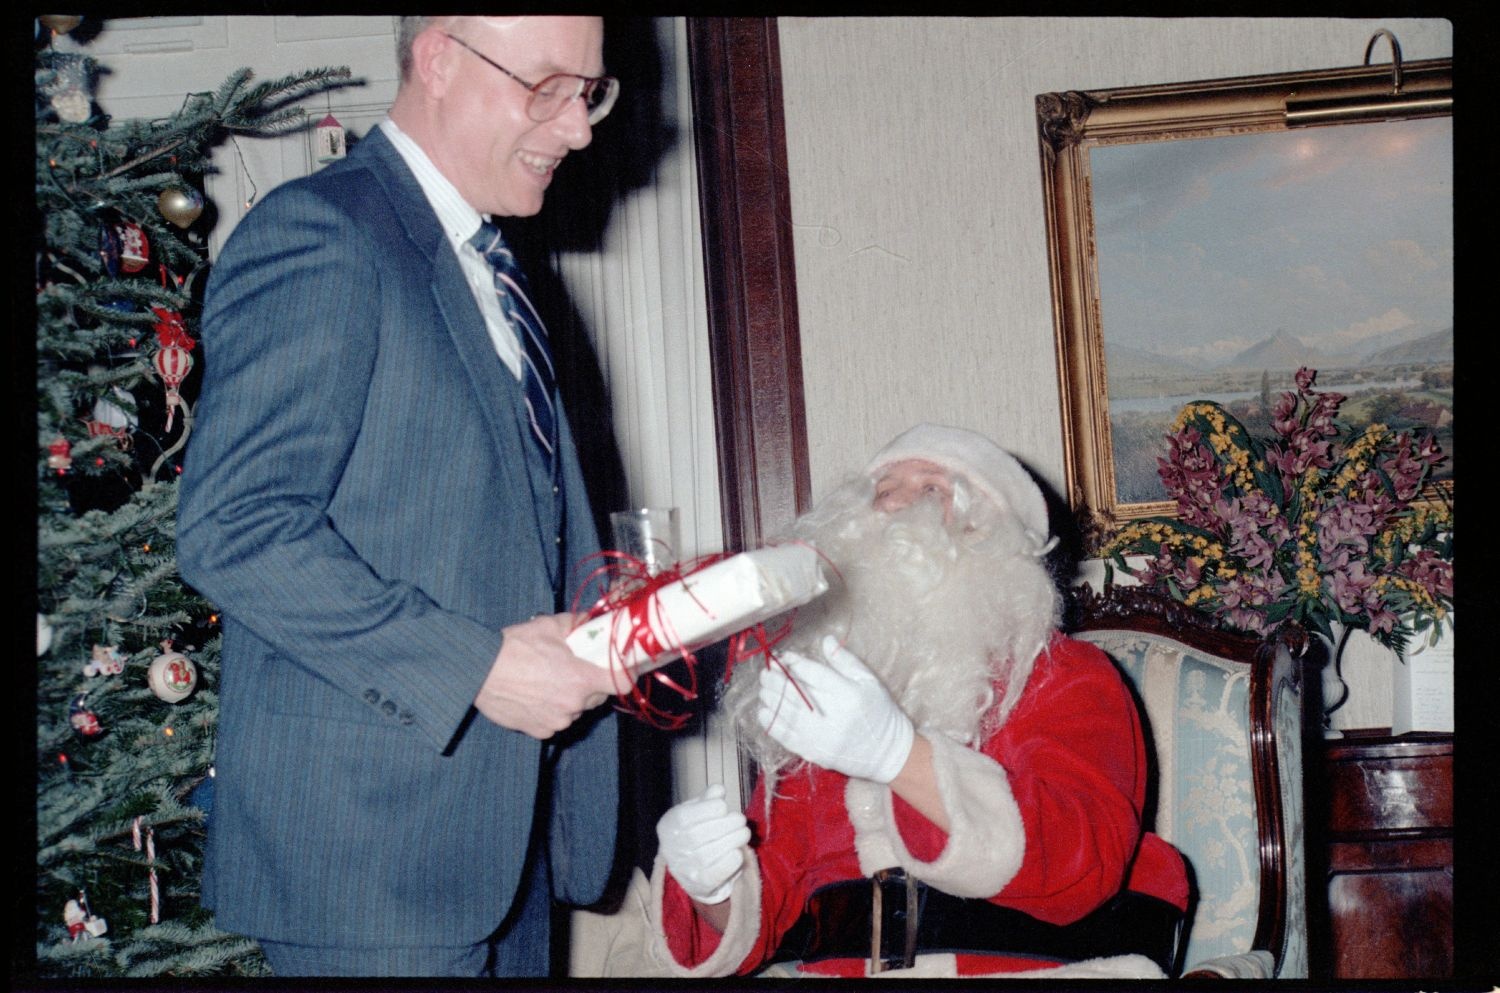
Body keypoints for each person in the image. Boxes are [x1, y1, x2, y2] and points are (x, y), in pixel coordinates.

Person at [176, 16, 625, 977]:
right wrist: (478, 669)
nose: (579, 127)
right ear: (439, 61)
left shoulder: (498, 271)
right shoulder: (320, 233)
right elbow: (235, 528)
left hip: (508, 857)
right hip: (371, 874)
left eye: (589, 91)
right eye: (548, 86)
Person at [643, 423, 1191, 979]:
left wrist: (899, 757)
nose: (896, 507)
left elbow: (1084, 864)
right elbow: (768, 910)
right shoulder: (819, 692)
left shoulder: (1068, 675)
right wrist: (710, 885)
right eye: (882, 491)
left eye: (932, 490)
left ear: (996, 536)